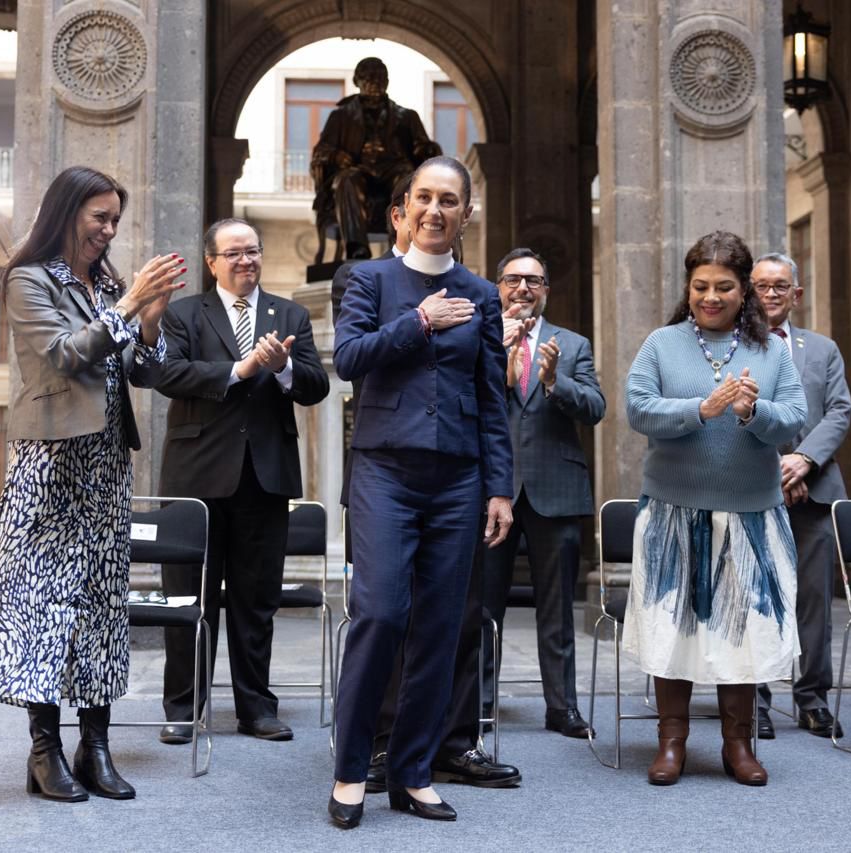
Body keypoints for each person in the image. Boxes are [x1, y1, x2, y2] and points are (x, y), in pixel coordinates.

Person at [0, 165, 184, 802]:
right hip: (50, 463)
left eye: (116, 219)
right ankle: (45, 751)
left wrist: (151, 319)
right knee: (42, 604)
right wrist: (127, 306)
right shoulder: (28, 279)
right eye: (100, 217)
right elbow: (64, 356)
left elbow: (145, 371)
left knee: (99, 606)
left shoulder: (109, 284)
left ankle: (96, 748)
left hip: (105, 465)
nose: (110, 230)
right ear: (68, 214)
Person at [328, 156, 514, 828]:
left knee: (441, 626)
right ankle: (352, 770)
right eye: (425, 198)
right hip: (384, 472)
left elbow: (491, 396)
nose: (436, 210)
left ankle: (412, 772)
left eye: (450, 200)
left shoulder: (482, 293)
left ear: (466, 214)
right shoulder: (369, 279)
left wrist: (500, 487)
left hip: (459, 480)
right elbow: (348, 358)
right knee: (380, 614)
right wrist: (421, 322)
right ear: (402, 210)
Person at [623, 230, 806, 787]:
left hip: (750, 515)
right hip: (673, 512)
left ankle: (738, 745)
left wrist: (753, 412)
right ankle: (671, 743)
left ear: (743, 289)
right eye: (700, 285)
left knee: (743, 633)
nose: (710, 296)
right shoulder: (661, 343)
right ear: (688, 287)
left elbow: (795, 416)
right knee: (671, 630)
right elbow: (638, 408)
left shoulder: (772, 350)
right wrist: (700, 410)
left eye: (723, 286)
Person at [154, 218, 329, 744]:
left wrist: (283, 369)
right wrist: (241, 368)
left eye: (252, 251)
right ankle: (183, 708)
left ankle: (256, 709)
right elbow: (168, 375)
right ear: (212, 262)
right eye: (233, 253)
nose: (246, 260)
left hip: (264, 478)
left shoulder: (290, 313)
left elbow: (317, 385)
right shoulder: (184, 313)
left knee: (257, 601)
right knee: (190, 599)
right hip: (196, 478)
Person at [481, 247, 605, 739]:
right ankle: (479, 705)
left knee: (557, 609)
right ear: (498, 288)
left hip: (556, 489)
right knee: (483, 606)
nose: (523, 288)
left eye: (533, 281)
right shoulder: (481, 337)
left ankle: (562, 707)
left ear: (546, 290)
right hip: (493, 489)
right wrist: (499, 361)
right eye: (513, 280)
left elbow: (594, 408)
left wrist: (555, 382)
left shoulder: (572, 344)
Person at [751, 253, 851, 740]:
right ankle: (753, 702)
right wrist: (777, 467)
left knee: (814, 602)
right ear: (749, 293)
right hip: (752, 489)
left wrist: (804, 460)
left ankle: (812, 700)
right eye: (762, 285)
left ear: (797, 293)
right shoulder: (732, 346)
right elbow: (731, 414)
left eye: (780, 286)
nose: (771, 294)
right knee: (754, 598)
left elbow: (839, 411)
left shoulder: (823, 348)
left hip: (816, 491)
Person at [310, 57, 443, 260]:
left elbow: (424, 147)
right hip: (358, 169)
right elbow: (321, 151)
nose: (374, 83)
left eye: (380, 78)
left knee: (408, 182)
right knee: (346, 180)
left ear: (387, 81)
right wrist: (336, 155)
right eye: (368, 78)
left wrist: (427, 150)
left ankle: (404, 245)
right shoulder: (341, 116)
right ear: (357, 81)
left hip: (395, 168)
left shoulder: (407, 116)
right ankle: (357, 249)